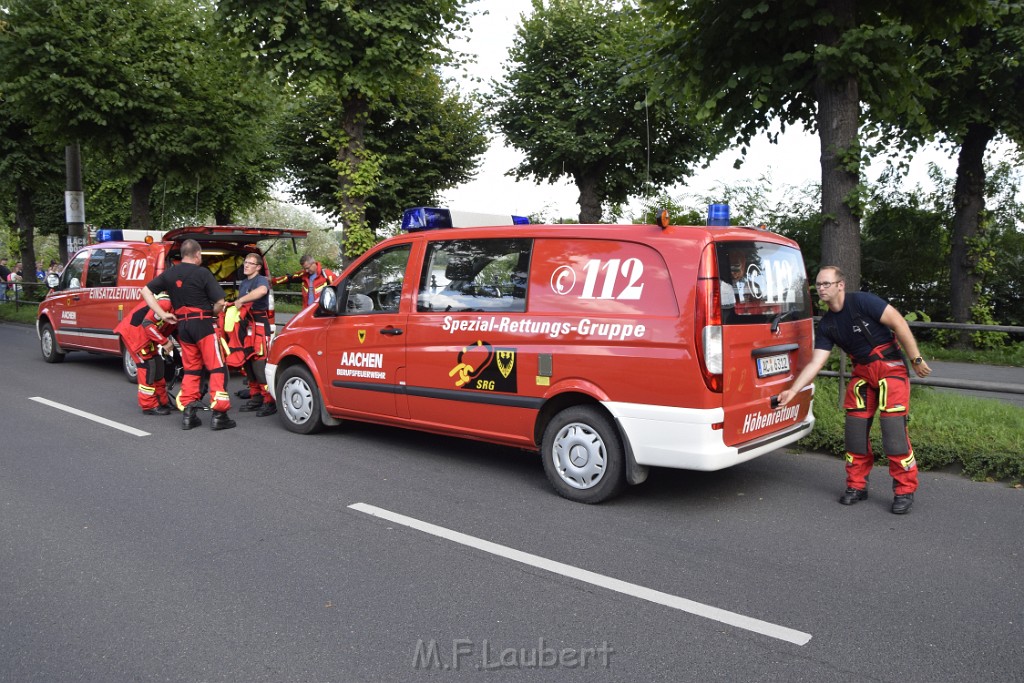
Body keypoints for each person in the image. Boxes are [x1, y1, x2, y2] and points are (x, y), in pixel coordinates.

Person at [778, 266, 932, 515]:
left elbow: (898, 322)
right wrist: (793, 391)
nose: (821, 289)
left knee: (894, 433)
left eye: (826, 283)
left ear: (840, 285)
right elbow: (816, 362)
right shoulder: (827, 324)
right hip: (862, 373)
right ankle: (857, 486)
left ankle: (904, 490)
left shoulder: (862, 302)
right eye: (818, 285)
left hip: (890, 368)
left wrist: (915, 359)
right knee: (855, 433)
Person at [140, 238, 236, 431]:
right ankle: (219, 414)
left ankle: (189, 413)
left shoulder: (169, 274)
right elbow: (219, 302)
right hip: (203, 325)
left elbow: (145, 291)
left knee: (192, 369)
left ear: (183, 254)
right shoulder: (202, 273)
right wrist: (214, 313)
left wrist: (162, 313)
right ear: (197, 255)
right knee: (216, 366)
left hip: (183, 327)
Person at [114, 296, 177, 415]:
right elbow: (147, 323)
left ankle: (162, 401)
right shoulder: (165, 304)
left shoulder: (177, 307)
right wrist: (164, 342)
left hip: (146, 338)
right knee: (148, 367)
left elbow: (175, 331)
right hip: (135, 336)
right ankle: (148, 405)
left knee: (158, 365)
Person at [232, 254, 277, 417]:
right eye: (245, 262)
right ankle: (256, 396)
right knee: (248, 361)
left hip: (259, 325)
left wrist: (242, 300)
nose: (246, 266)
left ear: (258, 267)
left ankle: (269, 400)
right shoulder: (244, 282)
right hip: (246, 325)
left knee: (259, 363)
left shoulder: (261, 280)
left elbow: (262, 291)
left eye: (250, 263)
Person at [271, 253, 339, 307]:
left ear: (313, 263)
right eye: (304, 268)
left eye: (307, 268)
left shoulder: (327, 274)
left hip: (322, 312)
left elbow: (339, 289)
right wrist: (272, 281)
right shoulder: (303, 274)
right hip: (307, 312)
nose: (306, 270)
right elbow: (289, 278)